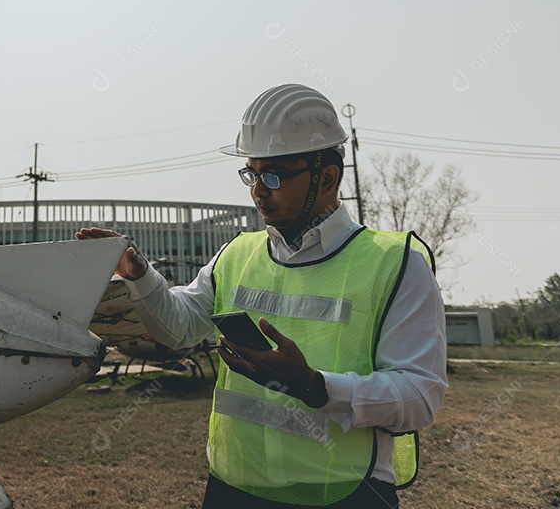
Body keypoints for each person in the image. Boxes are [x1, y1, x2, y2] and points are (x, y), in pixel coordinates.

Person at [77, 84, 447, 508]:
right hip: (234, 489)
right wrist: (139, 274)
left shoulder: (395, 264)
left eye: (273, 175)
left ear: (327, 177)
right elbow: (178, 329)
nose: (257, 190)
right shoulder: (237, 254)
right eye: (251, 173)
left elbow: (419, 398)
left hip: (344, 494)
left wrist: (314, 386)